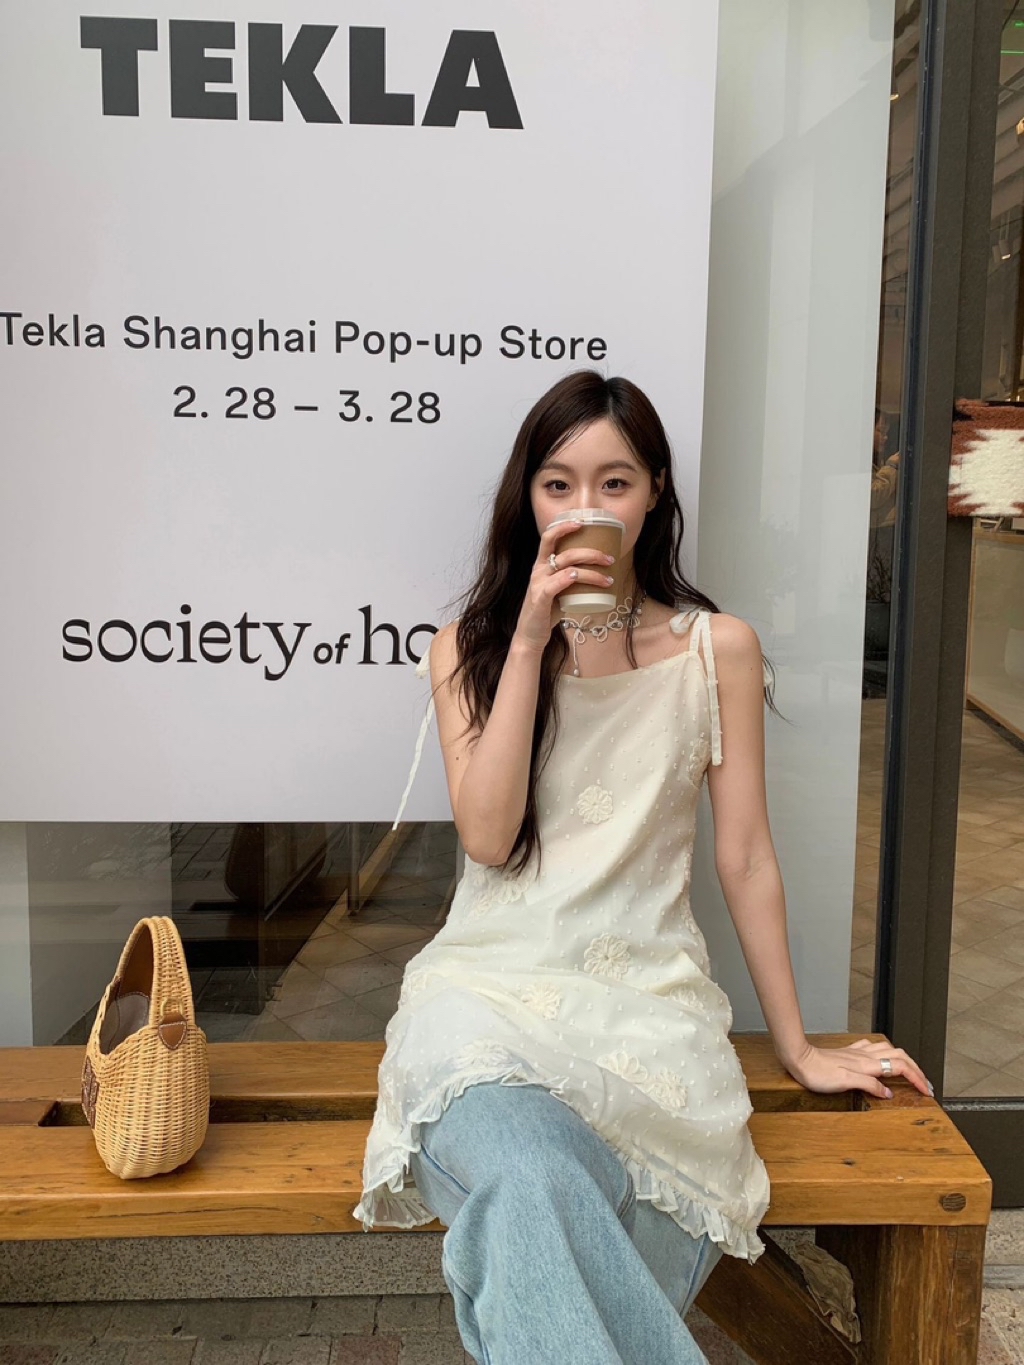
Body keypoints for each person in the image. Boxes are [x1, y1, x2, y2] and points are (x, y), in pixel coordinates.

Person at [355, 371, 932, 1364]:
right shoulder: (470, 648)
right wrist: (529, 639)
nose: (585, 508)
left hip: (650, 1018)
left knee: (547, 1223)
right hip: (485, 1007)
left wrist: (797, 1044)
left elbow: (744, 854)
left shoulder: (717, 650)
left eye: (613, 482)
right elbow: (487, 838)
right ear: (528, 498)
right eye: (558, 484)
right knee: (534, 1177)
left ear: (655, 492)